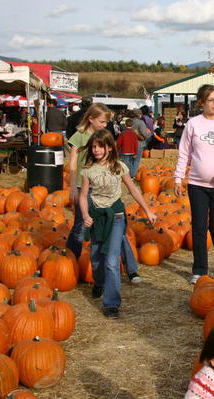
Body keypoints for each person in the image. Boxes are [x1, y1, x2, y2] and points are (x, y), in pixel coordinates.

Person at [79, 129, 156, 318]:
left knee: (112, 260)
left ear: (109, 147)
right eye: (93, 147)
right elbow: (83, 196)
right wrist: (85, 214)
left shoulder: (120, 166)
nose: (96, 150)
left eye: (100, 146)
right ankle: (99, 282)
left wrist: (147, 210)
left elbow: (134, 190)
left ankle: (111, 303)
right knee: (96, 259)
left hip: (117, 216)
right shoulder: (88, 170)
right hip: (97, 217)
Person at [67, 103, 143, 284]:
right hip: (83, 186)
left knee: (116, 229)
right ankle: (72, 263)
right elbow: (72, 164)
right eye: (101, 121)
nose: (104, 125)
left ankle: (131, 269)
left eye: (106, 122)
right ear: (91, 119)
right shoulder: (79, 136)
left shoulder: (103, 137)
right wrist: (71, 186)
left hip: (103, 189)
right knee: (80, 226)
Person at [173, 84, 214, 285]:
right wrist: (178, 178)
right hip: (197, 184)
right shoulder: (193, 124)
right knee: (199, 228)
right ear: (201, 103)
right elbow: (184, 153)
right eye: (210, 100)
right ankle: (199, 269)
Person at [131, 108, 151, 176]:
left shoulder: (129, 121)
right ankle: (132, 175)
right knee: (136, 160)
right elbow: (144, 134)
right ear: (139, 115)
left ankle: (129, 174)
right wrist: (149, 133)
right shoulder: (140, 122)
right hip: (138, 143)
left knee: (130, 160)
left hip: (129, 143)